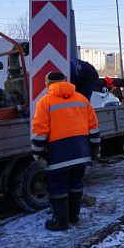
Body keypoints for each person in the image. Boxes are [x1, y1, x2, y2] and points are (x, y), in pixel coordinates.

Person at [32, 71, 101, 231]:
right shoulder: (82, 99)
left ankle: (60, 222)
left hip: (58, 154)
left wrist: (38, 153)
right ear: (66, 82)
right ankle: (74, 217)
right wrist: (96, 148)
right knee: (76, 184)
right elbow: (94, 126)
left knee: (57, 187)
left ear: (48, 84)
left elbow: (40, 131)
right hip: (81, 152)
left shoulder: (45, 102)